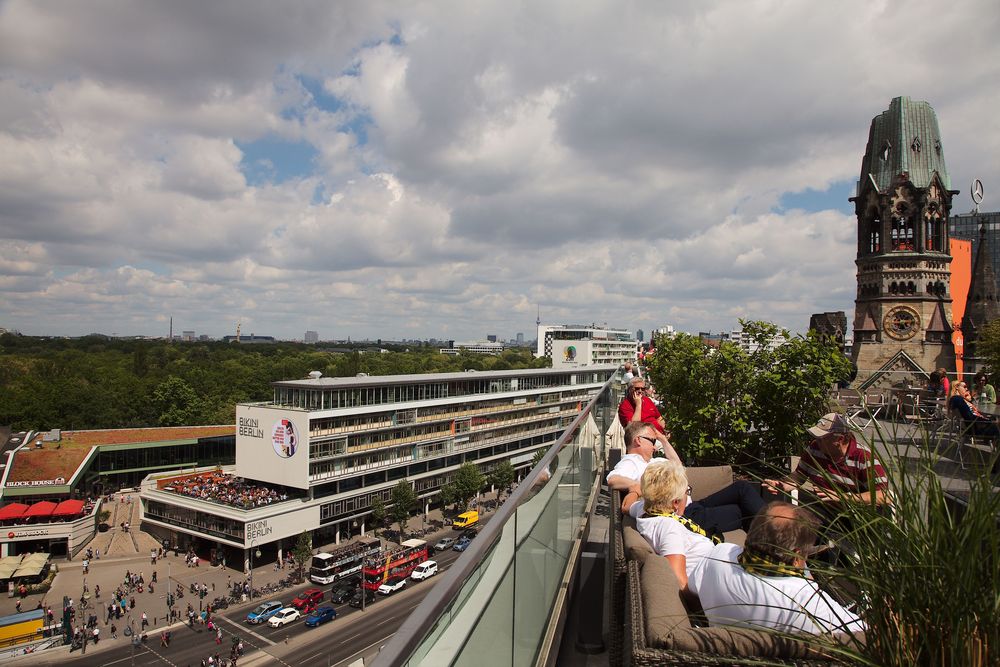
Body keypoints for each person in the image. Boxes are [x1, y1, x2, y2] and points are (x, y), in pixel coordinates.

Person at [689, 501, 864, 635]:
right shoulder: (806, 601)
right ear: (796, 557)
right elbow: (864, 635)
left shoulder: (719, 555)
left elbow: (692, 590)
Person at [763, 413, 889, 506]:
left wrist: (843, 497)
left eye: (822, 438)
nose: (817, 441)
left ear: (839, 439)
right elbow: (799, 477)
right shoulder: (815, 449)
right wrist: (782, 484)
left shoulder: (864, 457)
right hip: (822, 509)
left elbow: (884, 496)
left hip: (854, 515)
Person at [635, 459, 719, 594]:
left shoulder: (644, 509)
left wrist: (634, 492)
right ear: (675, 502)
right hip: (712, 589)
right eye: (687, 491)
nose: (687, 495)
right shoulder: (669, 527)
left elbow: (626, 506)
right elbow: (679, 581)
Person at [606, 422, 681, 503]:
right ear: (638, 440)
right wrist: (648, 488)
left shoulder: (654, 460)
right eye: (653, 441)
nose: (655, 448)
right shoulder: (631, 462)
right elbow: (612, 479)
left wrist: (664, 440)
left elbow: (678, 467)